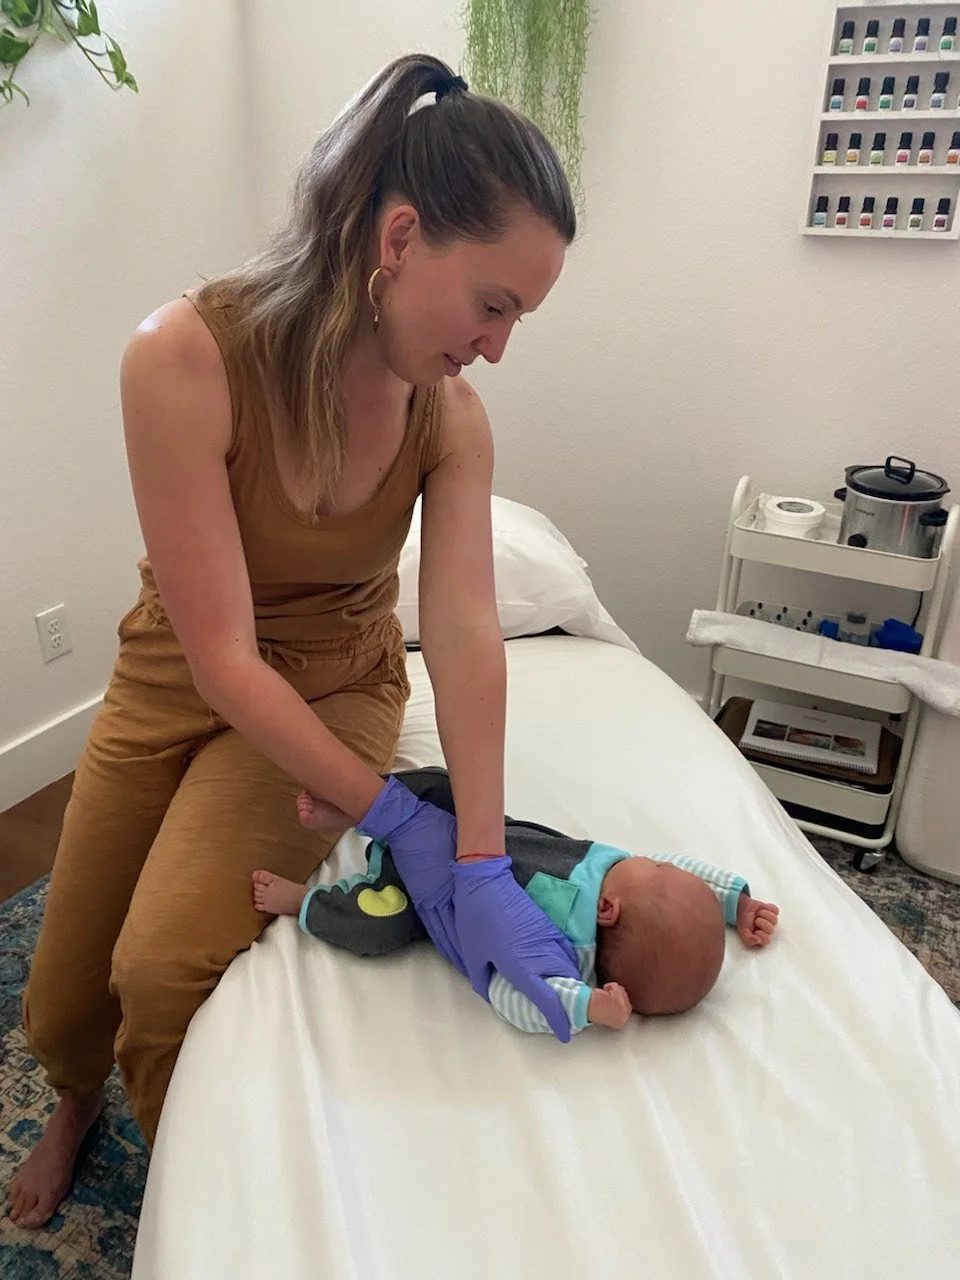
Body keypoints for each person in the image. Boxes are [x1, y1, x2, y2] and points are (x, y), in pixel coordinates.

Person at [6, 54, 576, 1230]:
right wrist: (395, 815)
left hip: (336, 685)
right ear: (401, 237)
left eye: (519, 317)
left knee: (158, 967)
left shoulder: (451, 416)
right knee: (61, 996)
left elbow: (464, 627)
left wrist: (476, 856)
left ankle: (218, 1216)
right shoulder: (183, 356)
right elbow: (220, 658)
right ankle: (74, 1097)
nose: (499, 346)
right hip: (177, 675)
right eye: (494, 305)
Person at [252, 768, 781, 1037]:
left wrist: (586, 1008)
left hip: (422, 897)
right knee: (442, 783)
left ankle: (307, 903)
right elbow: (676, 876)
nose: (659, 860)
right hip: (470, 828)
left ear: (608, 911)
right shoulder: (620, 874)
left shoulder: (565, 956)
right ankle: (355, 807)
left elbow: (520, 998)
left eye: (660, 869)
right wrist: (732, 900)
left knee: (376, 926)